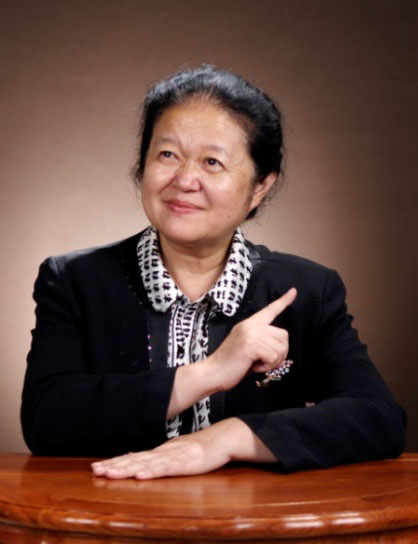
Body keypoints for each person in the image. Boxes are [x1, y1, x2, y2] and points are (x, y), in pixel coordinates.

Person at [21, 65, 406, 480]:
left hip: (253, 517)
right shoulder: (75, 281)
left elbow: (378, 417)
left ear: (260, 186)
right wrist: (208, 374)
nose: (185, 179)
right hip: (110, 511)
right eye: (167, 155)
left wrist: (227, 438)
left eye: (212, 162)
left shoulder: (306, 291)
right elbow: (47, 418)